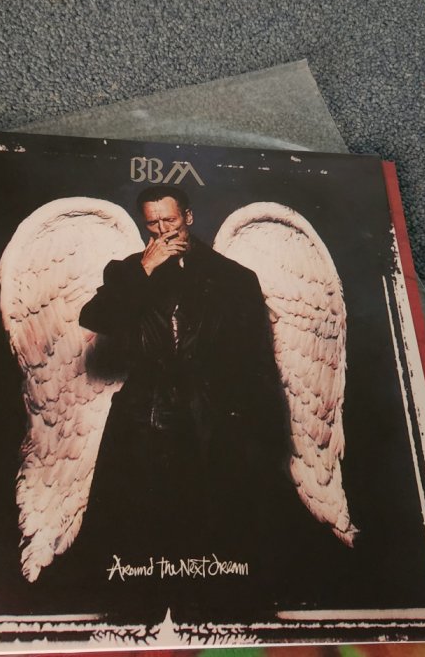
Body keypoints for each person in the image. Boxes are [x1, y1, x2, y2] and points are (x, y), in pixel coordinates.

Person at [76, 187, 292, 614]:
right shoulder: (128, 271)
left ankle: (211, 607)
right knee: (140, 519)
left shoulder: (234, 278)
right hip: (146, 415)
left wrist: (265, 430)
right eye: (152, 224)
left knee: (212, 517)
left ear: (188, 217)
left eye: (170, 221)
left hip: (213, 416)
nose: (162, 231)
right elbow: (96, 318)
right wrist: (145, 269)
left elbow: (257, 359)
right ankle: (141, 609)